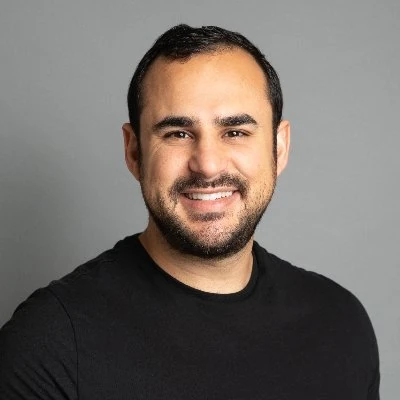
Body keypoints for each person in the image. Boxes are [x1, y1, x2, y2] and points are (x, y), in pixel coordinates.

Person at [0, 24, 379, 399]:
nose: (208, 165)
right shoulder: (48, 345)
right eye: (177, 133)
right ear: (134, 151)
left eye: (235, 132)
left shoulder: (341, 323)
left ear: (279, 148)